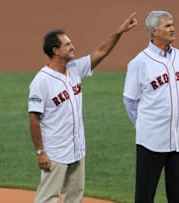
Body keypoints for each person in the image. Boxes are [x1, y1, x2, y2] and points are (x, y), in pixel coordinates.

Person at [28, 12, 138, 203]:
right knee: (47, 199)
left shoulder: (75, 69)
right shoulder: (41, 81)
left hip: (77, 149)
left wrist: (119, 32)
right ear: (56, 50)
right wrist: (40, 152)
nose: (73, 47)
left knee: (75, 197)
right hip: (55, 153)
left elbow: (101, 51)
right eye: (68, 45)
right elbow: (33, 118)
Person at [123, 10, 179, 203]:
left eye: (172, 24)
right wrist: (145, 125)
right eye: (167, 26)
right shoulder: (139, 63)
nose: (172, 29)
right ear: (153, 31)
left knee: (177, 196)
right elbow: (129, 101)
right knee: (145, 195)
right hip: (150, 141)